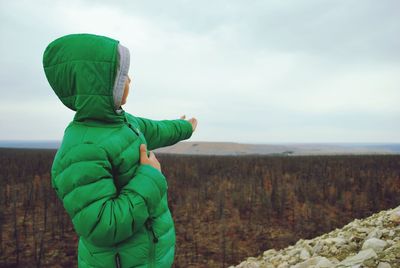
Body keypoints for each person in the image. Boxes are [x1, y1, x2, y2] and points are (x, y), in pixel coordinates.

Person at [42, 33, 198, 268]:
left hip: (145, 257)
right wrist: (150, 177)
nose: (130, 80)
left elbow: (156, 129)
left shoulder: (124, 123)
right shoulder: (81, 149)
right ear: (98, 83)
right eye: (122, 75)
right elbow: (102, 225)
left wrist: (184, 128)